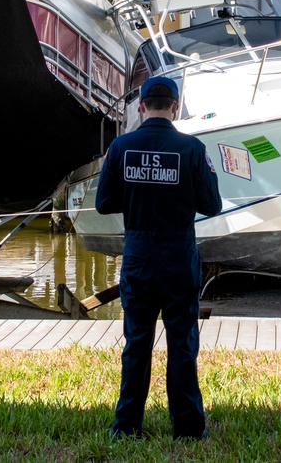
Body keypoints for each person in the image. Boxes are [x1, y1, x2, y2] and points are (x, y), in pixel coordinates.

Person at [95, 75, 223, 440]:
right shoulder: (192, 149)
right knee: (182, 342)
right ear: (175, 107)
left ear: (141, 106)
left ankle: (126, 426)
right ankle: (187, 428)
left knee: (136, 342)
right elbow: (212, 204)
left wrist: (136, 197)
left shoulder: (121, 148)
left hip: (137, 254)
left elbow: (104, 203)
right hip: (179, 256)